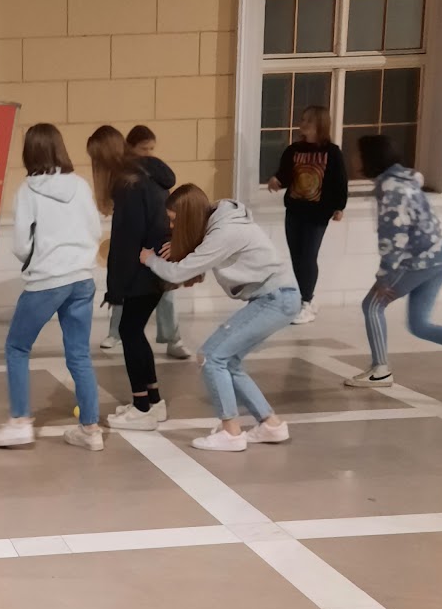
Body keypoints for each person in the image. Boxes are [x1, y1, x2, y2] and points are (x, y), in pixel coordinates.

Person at [139, 185, 300, 452]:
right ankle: (271, 425)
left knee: (211, 357)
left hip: (275, 298)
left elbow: (179, 273)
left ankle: (231, 433)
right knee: (229, 361)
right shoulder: (220, 220)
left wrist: (150, 260)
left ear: (188, 217)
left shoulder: (224, 232)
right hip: (277, 297)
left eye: (174, 220)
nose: (171, 226)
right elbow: (197, 253)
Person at [0, 122, 104, 452]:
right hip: (82, 278)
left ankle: (20, 423)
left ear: (29, 152)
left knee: (17, 348)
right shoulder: (80, 185)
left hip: (47, 280)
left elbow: (21, 244)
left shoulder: (28, 190)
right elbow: (96, 230)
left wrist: (33, 257)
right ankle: (91, 429)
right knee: (79, 354)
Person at [343, 133, 442, 389]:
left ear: (369, 157)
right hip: (441, 257)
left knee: (372, 305)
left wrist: (384, 277)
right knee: (419, 325)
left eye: (356, 153)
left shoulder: (390, 188)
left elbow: (394, 236)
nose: (352, 158)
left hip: (420, 260)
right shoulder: (403, 181)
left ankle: (380, 370)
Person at [86, 125, 170, 431]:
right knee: (134, 330)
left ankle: (141, 407)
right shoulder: (146, 175)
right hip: (156, 263)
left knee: (129, 331)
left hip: (142, 267)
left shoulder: (128, 184)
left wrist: (115, 289)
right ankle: (153, 401)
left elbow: (126, 241)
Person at [100, 125, 188, 361]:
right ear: (130, 148)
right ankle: (115, 333)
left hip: (154, 248)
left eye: (151, 149)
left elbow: (133, 231)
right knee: (131, 310)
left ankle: (172, 338)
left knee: (155, 298)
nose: (148, 153)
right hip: (147, 249)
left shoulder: (149, 177)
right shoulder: (132, 177)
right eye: (143, 149)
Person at [267, 103, 347, 326]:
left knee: (308, 256)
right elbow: (285, 174)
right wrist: (277, 180)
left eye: (308, 120)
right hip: (295, 210)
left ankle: (306, 301)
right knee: (296, 256)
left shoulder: (332, 152)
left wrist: (339, 207)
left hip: (317, 213)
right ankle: (300, 298)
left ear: (320, 124)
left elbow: (340, 181)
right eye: (302, 119)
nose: (303, 124)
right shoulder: (293, 150)